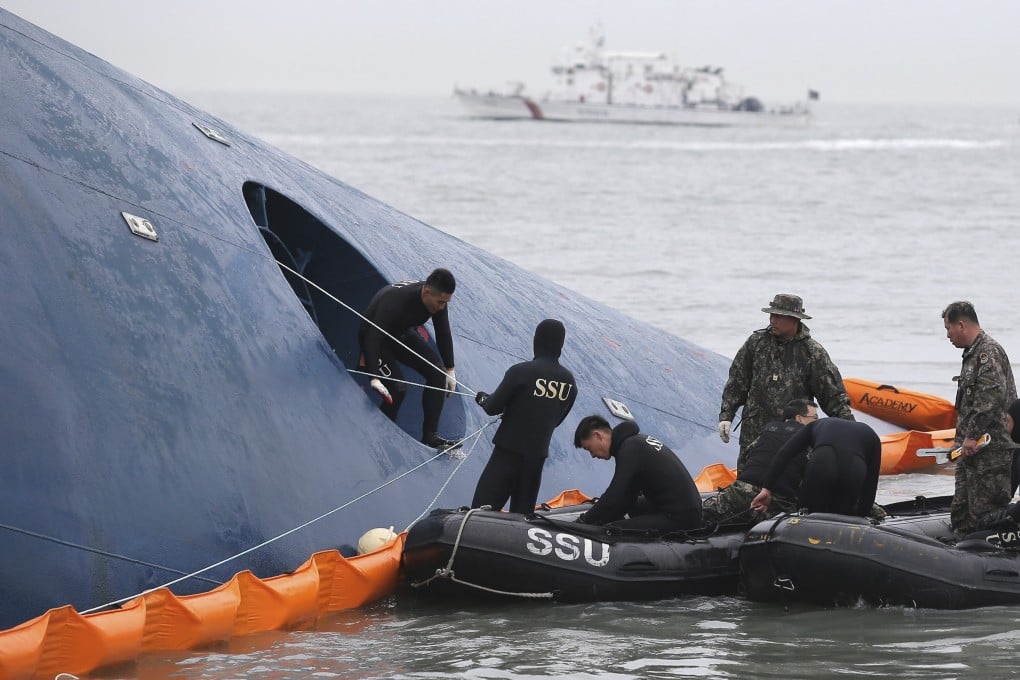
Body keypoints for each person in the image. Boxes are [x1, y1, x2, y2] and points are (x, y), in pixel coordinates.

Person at [718, 293, 854, 472]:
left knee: (789, 488)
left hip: (793, 437)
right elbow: (737, 382)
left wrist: (851, 431)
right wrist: (726, 416)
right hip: (754, 434)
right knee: (747, 483)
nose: (772, 320)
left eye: (778, 316)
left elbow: (833, 396)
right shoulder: (756, 343)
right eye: (771, 315)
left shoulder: (813, 353)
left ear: (794, 319)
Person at [471, 319, 577, 514]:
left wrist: (482, 398)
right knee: (521, 519)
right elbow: (556, 420)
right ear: (560, 345)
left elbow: (492, 407)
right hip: (535, 462)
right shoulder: (569, 381)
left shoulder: (521, 371)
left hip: (506, 456)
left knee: (480, 512)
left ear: (536, 340)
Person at [358, 268, 458, 449]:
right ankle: (379, 435)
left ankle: (430, 436)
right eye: (440, 302)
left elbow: (443, 332)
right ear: (427, 292)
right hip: (374, 337)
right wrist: (374, 376)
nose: (442, 307)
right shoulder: (395, 301)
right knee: (398, 389)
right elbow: (372, 338)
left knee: (438, 373)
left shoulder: (437, 299)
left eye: (446, 302)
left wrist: (450, 369)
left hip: (400, 333)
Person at [942, 301, 1017, 538]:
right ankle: (960, 549)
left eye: (948, 328)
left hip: (990, 451)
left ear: (961, 325)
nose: (947, 335)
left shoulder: (988, 353)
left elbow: (990, 399)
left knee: (985, 512)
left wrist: (972, 436)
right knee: (962, 510)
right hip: (970, 450)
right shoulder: (971, 355)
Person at [572, 415, 702, 530]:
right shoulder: (635, 442)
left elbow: (614, 496)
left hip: (681, 517)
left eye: (589, 448)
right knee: (629, 507)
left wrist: (582, 522)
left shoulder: (630, 450)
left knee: (612, 530)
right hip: (685, 507)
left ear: (598, 436)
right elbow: (625, 497)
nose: (592, 455)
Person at [701, 399, 817, 526]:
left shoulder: (768, 431)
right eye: (814, 418)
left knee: (698, 516)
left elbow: (746, 456)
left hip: (741, 493)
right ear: (799, 418)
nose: (817, 423)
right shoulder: (810, 441)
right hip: (775, 505)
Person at [750, 418, 881, 517]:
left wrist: (767, 489)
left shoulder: (815, 425)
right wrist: (862, 516)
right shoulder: (872, 436)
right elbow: (871, 483)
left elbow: (784, 454)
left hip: (822, 462)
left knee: (807, 515)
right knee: (843, 518)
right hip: (855, 469)